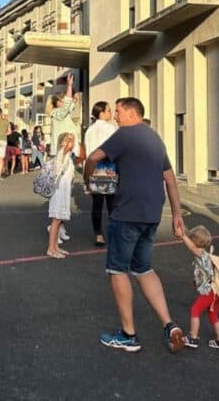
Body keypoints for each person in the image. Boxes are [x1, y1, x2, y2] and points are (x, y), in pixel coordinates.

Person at [84, 97, 186, 354]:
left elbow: (94, 157)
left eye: (118, 111)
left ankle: (129, 334)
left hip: (126, 212)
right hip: (151, 214)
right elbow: (170, 179)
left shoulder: (124, 135)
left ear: (131, 113)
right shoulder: (155, 139)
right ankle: (169, 324)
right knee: (143, 269)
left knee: (117, 269)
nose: (115, 116)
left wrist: (89, 179)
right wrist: (176, 214)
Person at [179, 225, 219, 351]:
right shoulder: (207, 255)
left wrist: (183, 235)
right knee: (213, 316)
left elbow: (191, 246)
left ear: (196, 242)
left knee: (195, 310)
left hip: (210, 292)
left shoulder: (201, 254)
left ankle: (193, 338)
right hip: (216, 292)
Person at [84, 101, 118, 246]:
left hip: (93, 168)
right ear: (102, 112)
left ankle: (98, 234)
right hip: (108, 167)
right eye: (109, 110)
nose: (111, 113)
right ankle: (114, 233)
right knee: (112, 204)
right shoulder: (111, 128)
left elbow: (87, 151)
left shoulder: (89, 130)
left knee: (97, 204)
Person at [46, 132, 77, 259]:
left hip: (64, 190)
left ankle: (55, 247)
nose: (71, 143)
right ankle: (50, 248)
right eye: (68, 141)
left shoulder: (68, 155)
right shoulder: (61, 154)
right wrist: (65, 146)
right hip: (59, 191)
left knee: (59, 221)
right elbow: (60, 166)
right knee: (56, 220)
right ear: (62, 143)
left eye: (72, 141)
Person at [49, 73, 81, 157]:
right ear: (56, 104)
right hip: (64, 149)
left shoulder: (60, 113)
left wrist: (73, 102)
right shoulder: (57, 113)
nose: (63, 101)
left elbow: (67, 106)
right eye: (61, 100)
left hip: (66, 148)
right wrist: (69, 86)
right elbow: (67, 102)